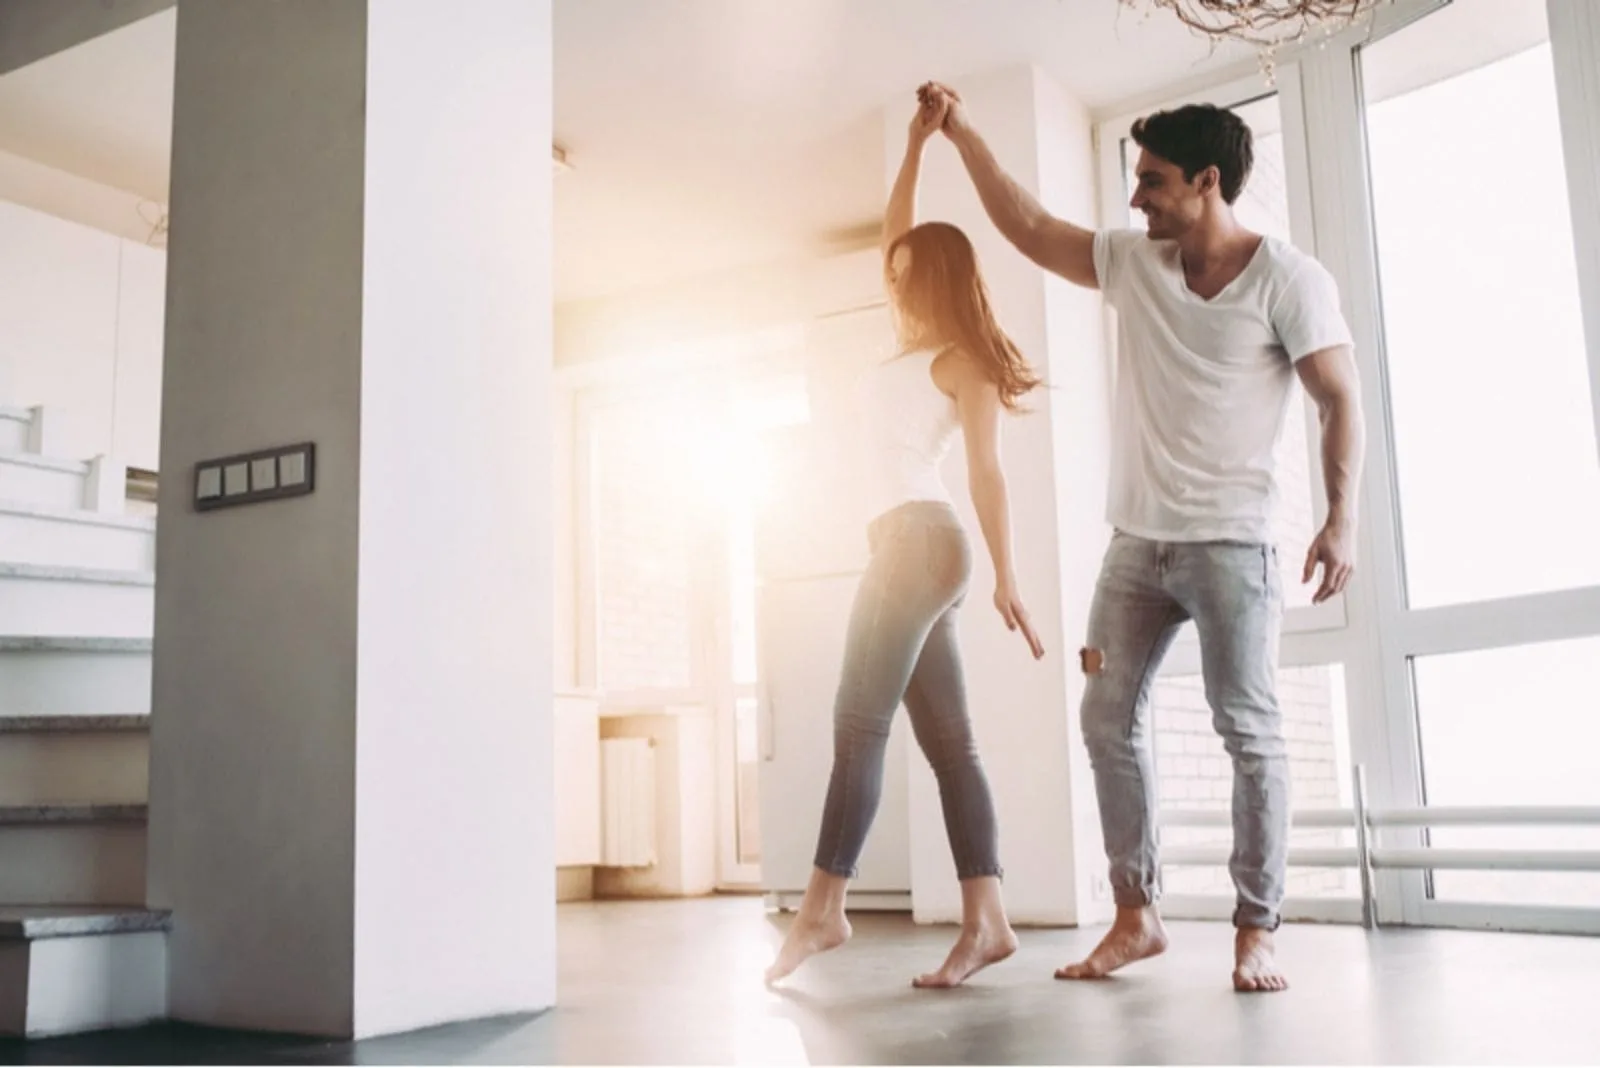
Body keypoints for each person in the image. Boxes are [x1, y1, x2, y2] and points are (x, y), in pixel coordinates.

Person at [921, 82, 1366, 993]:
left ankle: (1256, 930)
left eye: (1153, 182)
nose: (1135, 199)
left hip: (1235, 548)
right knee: (1102, 717)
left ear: (1207, 182)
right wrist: (963, 133)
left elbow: (1338, 398)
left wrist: (1340, 516)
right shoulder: (1134, 263)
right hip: (1135, 549)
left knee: (1249, 731)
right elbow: (1030, 226)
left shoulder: (1289, 279)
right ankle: (1137, 915)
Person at [764, 93, 1047, 991]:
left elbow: (988, 475)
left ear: (929, 279)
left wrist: (1006, 576)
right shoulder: (904, 344)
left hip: (922, 545)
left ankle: (822, 910)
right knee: (951, 747)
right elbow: (898, 226)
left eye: (900, 273)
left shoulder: (958, 362)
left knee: (858, 726)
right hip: (916, 549)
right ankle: (989, 920)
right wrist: (920, 144)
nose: (888, 278)